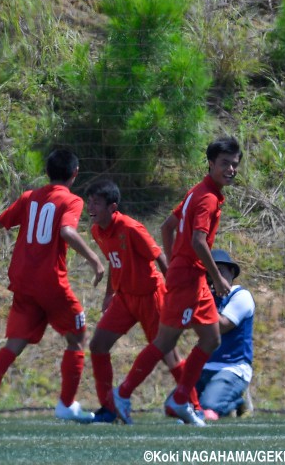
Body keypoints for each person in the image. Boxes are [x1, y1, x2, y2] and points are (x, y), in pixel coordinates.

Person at [112, 136, 243, 426]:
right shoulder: (207, 197)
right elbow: (198, 241)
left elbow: (167, 226)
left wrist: (173, 264)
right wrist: (212, 276)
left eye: (235, 164)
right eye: (225, 163)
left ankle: (182, 398)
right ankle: (122, 393)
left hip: (191, 276)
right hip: (189, 279)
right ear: (210, 163)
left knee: (211, 338)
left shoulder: (199, 192)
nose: (231, 169)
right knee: (164, 341)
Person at [0, 149, 105, 424]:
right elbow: (67, 232)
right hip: (50, 283)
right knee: (77, 336)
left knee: (14, 344)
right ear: (75, 173)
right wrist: (95, 260)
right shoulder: (72, 200)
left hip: (23, 281)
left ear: (47, 173)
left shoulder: (29, 196)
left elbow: (1, 222)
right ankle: (66, 405)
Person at [85, 180, 200, 423]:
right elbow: (115, 262)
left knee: (169, 353)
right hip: (124, 298)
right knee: (98, 345)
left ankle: (194, 406)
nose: (90, 207)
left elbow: (160, 257)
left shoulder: (130, 227)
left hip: (151, 296)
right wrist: (109, 294)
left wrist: (174, 290)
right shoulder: (97, 230)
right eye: (90, 201)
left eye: (96, 202)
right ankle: (109, 408)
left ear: (112, 206)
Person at [197, 249, 255, 420]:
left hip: (232, 367)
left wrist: (202, 297)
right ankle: (228, 399)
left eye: (219, 271)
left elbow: (221, 326)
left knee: (208, 411)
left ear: (231, 272)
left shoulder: (241, 296)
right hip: (205, 366)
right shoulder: (208, 297)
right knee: (176, 406)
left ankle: (236, 400)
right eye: (210, 273)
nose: (214, 277)